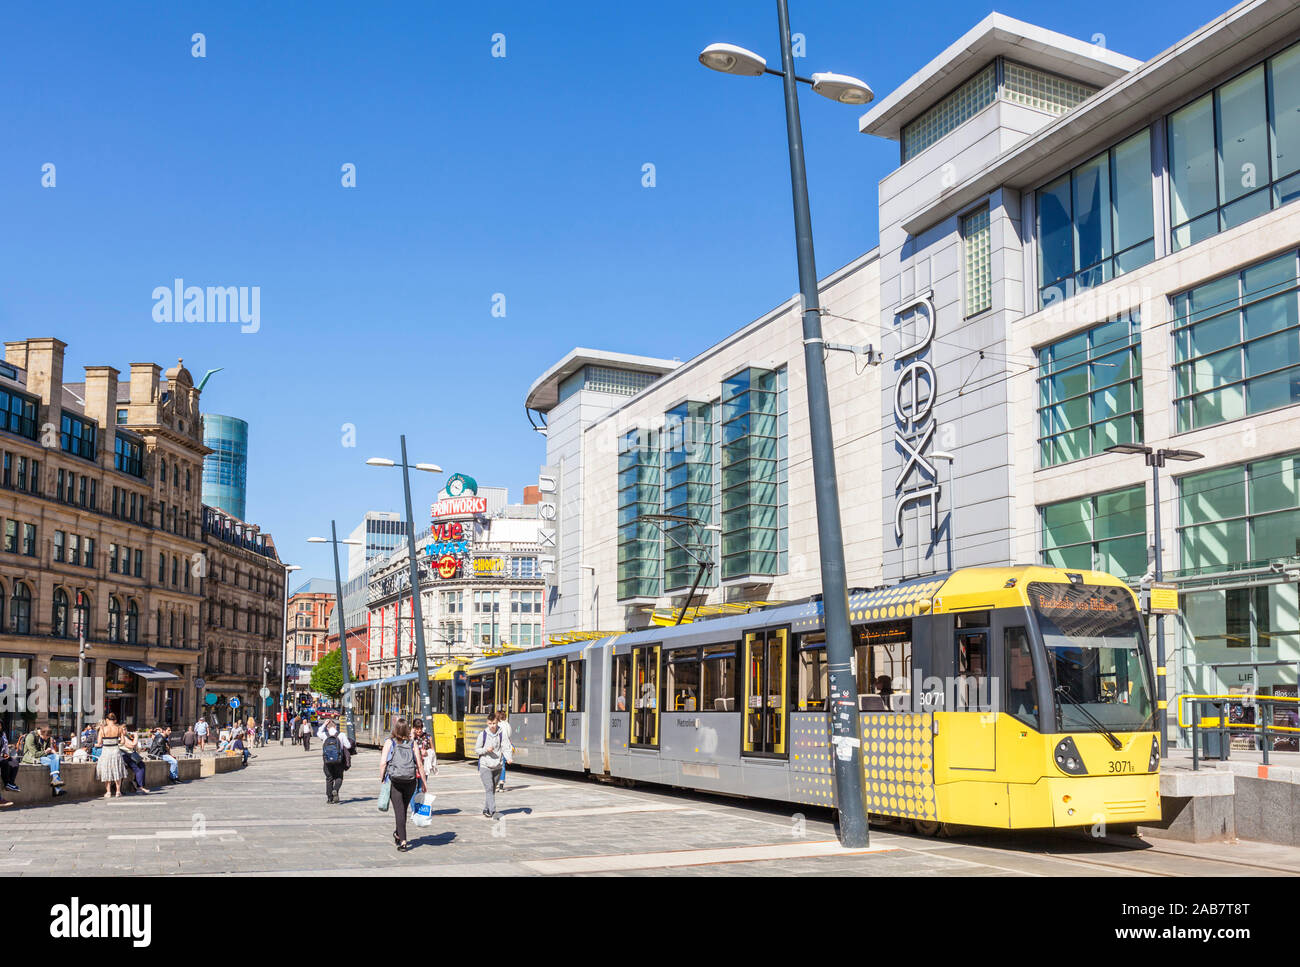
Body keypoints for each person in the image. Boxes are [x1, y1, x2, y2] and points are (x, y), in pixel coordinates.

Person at [378, 718, 425, 851]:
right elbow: (420, 764)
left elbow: (383, 763)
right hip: (410, 782)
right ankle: (398, 833)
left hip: (395, 781)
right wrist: (424, 783)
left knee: (399, 811)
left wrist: (382, 778)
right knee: (403, 809)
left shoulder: (389, 742)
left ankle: (403, 841)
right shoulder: (412, 743)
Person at [474, 713, 507, 818]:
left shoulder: (502, 733)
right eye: (490, 723)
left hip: (497, 765)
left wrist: (509, 757)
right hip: (485, 765)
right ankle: (493, 811)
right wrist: (485, 750)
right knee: (489, 788)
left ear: (497, 723)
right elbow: (477, 750)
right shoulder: (482, 734)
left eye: (494, 723)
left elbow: (506, 746)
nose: (492, 725)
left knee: (492, 790)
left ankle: (486, 809)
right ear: (487, 723)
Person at [21, 727, 66, 796]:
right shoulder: (31, 736)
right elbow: (35, 754)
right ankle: (57, 788)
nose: (48, 738)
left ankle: (55, 780)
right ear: (42, 734)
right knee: (52, 762)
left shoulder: (47, 738)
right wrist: (46, 751)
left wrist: (53, 753)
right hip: (32, 757)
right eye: (47, 737)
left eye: (49, 737)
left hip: (43, 755)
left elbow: (47, 751)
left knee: (56, 758)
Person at [319, 718, 352, 804]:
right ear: (335, 726)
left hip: (327, 761)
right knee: (339, 777)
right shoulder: (341, 735)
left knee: (329, 778)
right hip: (338, 761)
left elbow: (318, 733)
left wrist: (323, 724)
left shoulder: (324, 735)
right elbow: (348, 746)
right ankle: (335, 789)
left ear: (327, 728)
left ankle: (329, 798)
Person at [95, 714, 129, 798]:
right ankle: (118, 791)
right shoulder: (119, 729)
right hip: (115, 751)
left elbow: (99, 743)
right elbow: (123, 742)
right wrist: (115, 741)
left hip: (106, 751)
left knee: (107, 771)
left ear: (107, 720)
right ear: (115, 720)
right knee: (117, 770)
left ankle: (108, 792)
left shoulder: (102, 729)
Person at [495, 714, 513, 793]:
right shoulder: (507, 724)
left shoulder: (496, 725)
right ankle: (501, 785)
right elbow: (509, 734)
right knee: (503, 766)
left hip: (498, 747)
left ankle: (496, 784)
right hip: (505, 746)